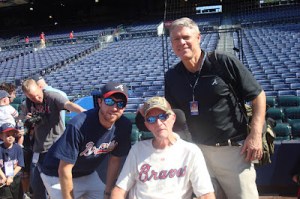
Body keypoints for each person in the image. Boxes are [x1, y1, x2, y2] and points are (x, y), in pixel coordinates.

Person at [165, 17, 266, 199]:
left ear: (198, 37)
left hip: (233, 150)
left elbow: (258, 95)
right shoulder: (172, 76)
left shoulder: (223, 62)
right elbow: (171, 112)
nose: (181, 42)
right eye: (176, 39)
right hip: (198, 152)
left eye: (186, 37)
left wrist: (256, 134)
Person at [40, 82, 132, 199]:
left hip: (87, 173)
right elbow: (64, 169)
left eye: (120, 104)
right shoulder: (79, 125)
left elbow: (115, 160)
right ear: (100, 102)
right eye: (109, 101)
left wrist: (108, 192)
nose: (114, 108)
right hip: (56, 174)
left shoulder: (124, 126)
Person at [111, 96, 215, 199]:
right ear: (147, 125)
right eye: (151, 119)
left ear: (173, 117)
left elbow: (206, 194)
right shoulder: (137, 150)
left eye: (163, 116)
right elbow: (119, 190)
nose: (158, 123)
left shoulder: (191, 151)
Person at [21, 79, 86, 199]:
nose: (36, 99)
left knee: (58, 186)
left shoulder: (52, 96)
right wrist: (27, 119)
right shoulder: (29, 103)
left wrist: (84, 112)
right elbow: (21, 120)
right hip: (39, 148)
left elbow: (68, 104)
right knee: (37, 187)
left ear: (40, 88)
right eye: (31, 97)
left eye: (37, 95)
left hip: (56, 148)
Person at [0, 123, 24, 199]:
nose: (10, 137)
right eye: (7, 135)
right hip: (3, 178)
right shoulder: (0, 148)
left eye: (13, 135)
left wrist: (11, 176)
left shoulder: (18, 148)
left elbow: (20, 165)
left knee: (17, 196)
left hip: (15, 178)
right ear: (1, 136)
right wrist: (3, 177)